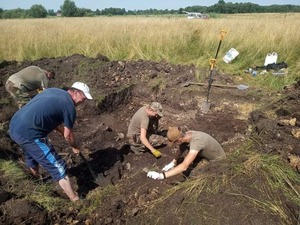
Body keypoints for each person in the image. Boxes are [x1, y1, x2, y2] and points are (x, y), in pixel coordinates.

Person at [9, 82, 93, 201]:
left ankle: (35, 180)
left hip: (15, 126)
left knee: (32, 153)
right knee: (58, 166)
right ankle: (75, 200)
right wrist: (74, 146)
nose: (82, 102)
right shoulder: (69, 106)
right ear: (75, 93)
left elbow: (47, 114)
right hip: (29, 133)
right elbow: (68, 135)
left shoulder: (55, 91)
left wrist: (60, 130)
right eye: (83, 98)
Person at [147, 126, 226, 180]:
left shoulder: (196, 142)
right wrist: (173, 163)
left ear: (179, 140)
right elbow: (182, 147)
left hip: (218, 162)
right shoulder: (188, 134)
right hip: (204, 154)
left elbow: (184, 166)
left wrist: (162, 176)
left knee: (190, 173)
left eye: (175, 142)